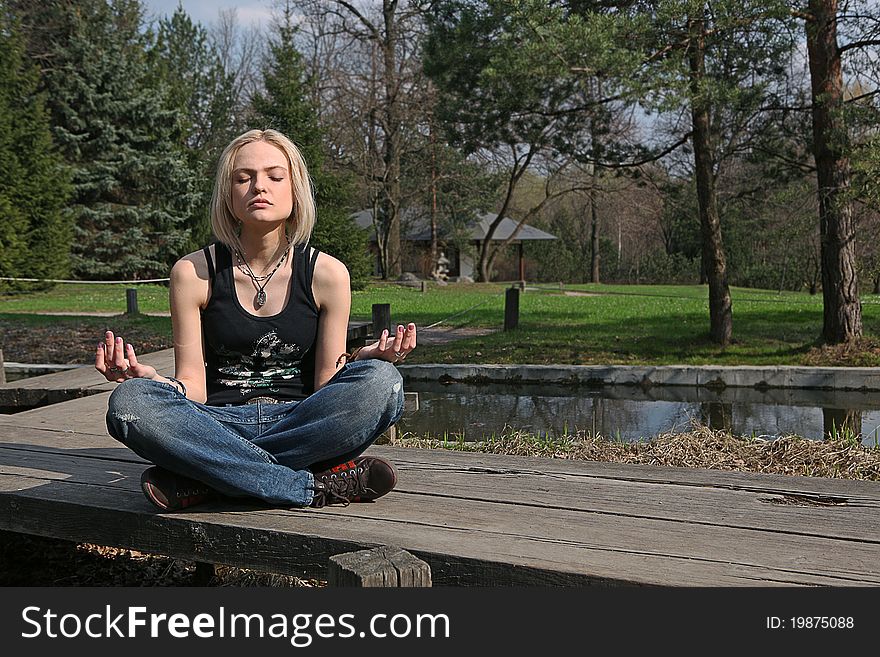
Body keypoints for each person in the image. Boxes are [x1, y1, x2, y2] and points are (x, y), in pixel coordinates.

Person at [97, 129, 416, 512]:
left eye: (274, 176)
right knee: (131, 402)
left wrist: (364, 359)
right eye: (243, 178)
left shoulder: (328, 273)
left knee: (384, 383)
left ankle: (212, 479)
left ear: (295, 190)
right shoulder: (193, 272)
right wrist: (153, 381)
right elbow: (193, 387)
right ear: (228, 195)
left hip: (301, 422)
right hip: (217, 424)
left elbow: (325, 386)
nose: (258, 187)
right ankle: (306, 486)